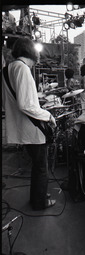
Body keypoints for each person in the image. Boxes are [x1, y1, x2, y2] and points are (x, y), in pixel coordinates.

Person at [2, 37, 57, 211]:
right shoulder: (23, 69)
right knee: (41, 167)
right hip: (32, 128)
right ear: (31, 51)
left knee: (37, 165)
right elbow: (25, 104)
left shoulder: (7, 69)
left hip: (22, 127)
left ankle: (39, 195)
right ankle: (39, 202)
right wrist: (48, 115)